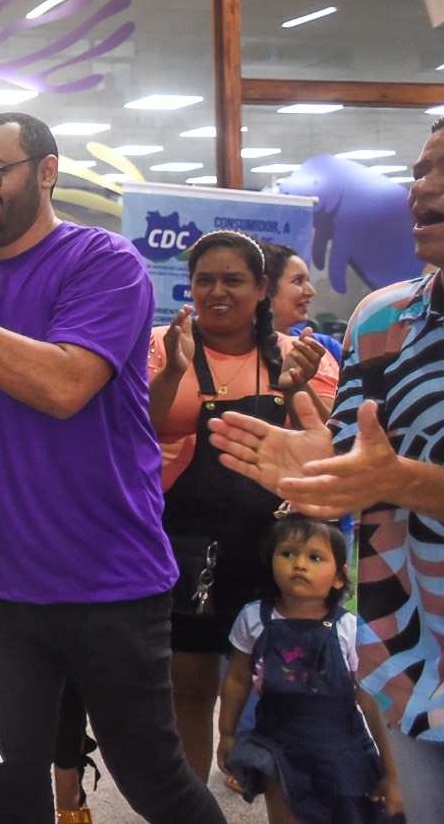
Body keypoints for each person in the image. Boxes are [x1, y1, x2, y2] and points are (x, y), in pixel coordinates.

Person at [0, 111, 224, 823]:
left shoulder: (104, 263)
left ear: (46, 171)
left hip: (109, 581)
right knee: (7, 782)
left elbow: (63, 387)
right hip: (2, 587)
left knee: (151, 778)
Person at [207, 112, 444, 824]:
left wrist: (400, 481)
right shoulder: (380, 322)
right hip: (414, 664)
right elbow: (360, 458)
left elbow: (388, 476)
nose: (423, 189)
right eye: (420, 171)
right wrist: (316, 464)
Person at [148, 231, 339, 780]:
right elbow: (142, 428)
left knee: (282, 681)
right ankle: (191, 802)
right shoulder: (165, 344)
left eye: (233, 280)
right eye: (204, 280)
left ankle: (275, 782)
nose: (216, 291)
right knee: (189, 685)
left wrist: (300, 390)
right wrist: (173, 374)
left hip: (278, 551)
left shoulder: (303, 354)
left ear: (260, 288)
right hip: (185, 543)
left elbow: (333, 448)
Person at [216, 514, 401, 823]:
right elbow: (236, 680)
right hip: (277, 749)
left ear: (340, 577)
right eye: (287, 553)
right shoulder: (253, 618)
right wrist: (226, 734)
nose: (299, 564)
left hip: (343, 752)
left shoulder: (350, 629)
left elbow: (370, 700)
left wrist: (393, 772)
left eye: (315, 557)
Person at [261, 241, 342, 360]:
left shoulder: (326, 347)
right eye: (298, 281)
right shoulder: (240, 351)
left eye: (307, 280)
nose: (311, 291)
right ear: (265, 287)